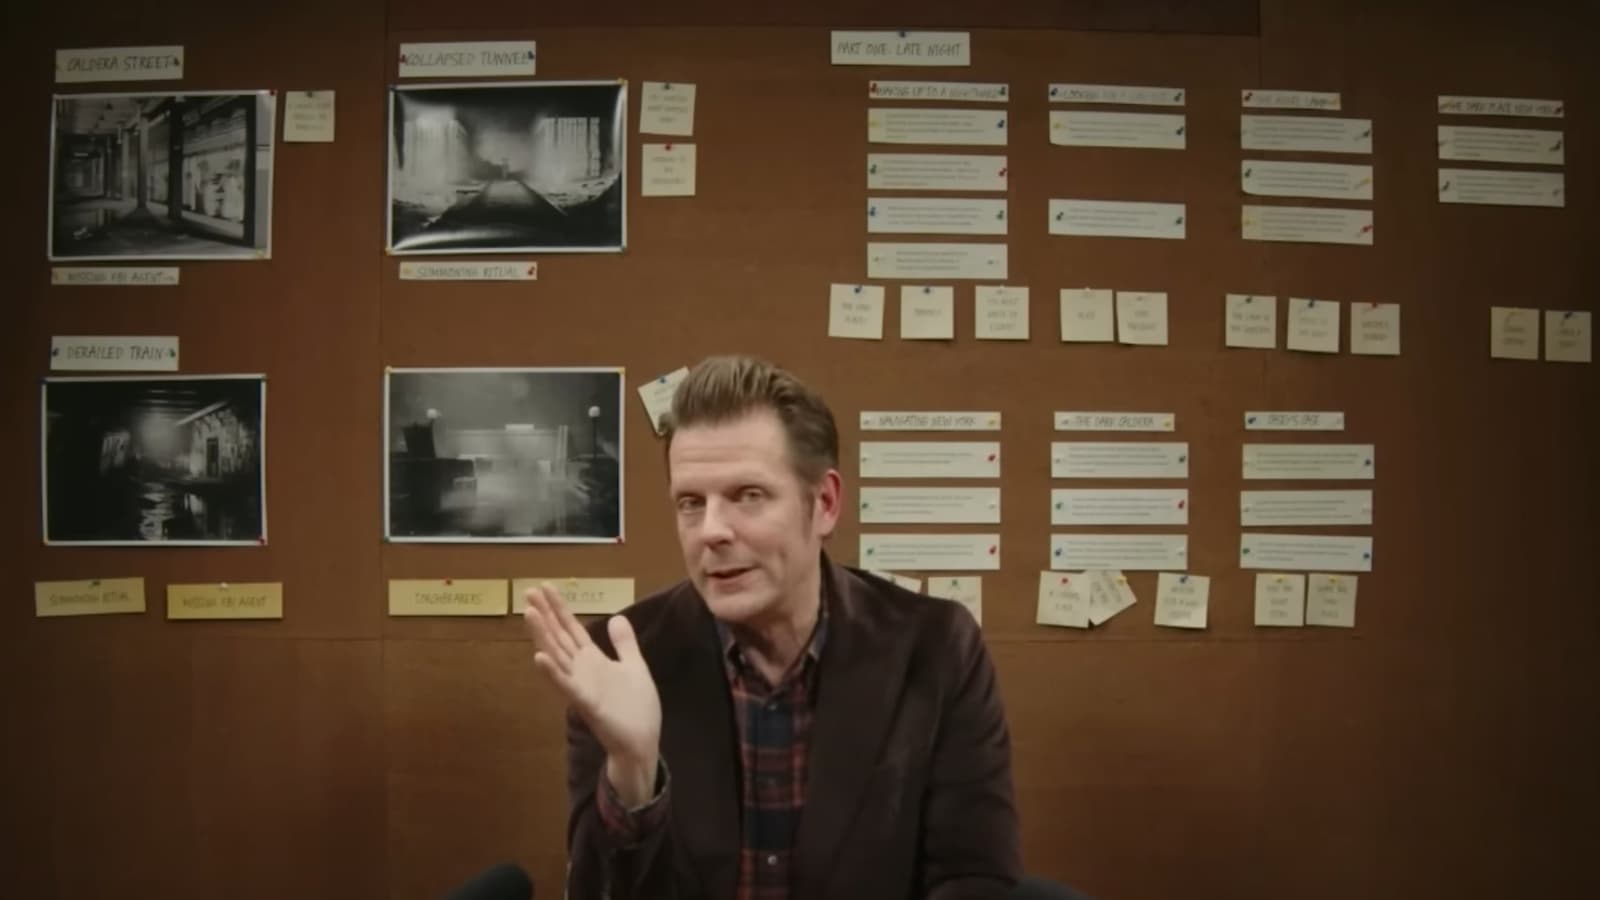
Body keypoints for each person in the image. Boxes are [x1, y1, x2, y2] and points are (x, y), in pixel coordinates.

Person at [523, 355, 1021, 899]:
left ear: (824, 504)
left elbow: (975, 879)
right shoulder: (620, 660)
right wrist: (633, 771)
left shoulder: (935, 648)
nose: (711, 531)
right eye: (691, 503)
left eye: (748, 496)